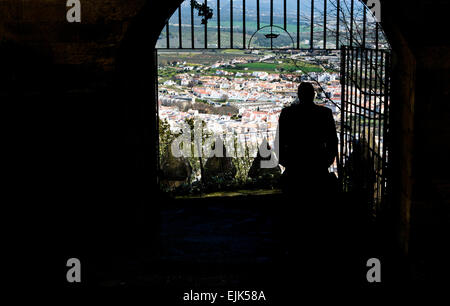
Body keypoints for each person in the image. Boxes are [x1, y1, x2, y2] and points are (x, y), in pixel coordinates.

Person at [276, 82, 338, 196]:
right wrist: (327, 161)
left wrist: (284, 161)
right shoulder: (325, 113)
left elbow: (280, 140)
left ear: (298, 95)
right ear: (313, 95)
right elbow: (333, 140)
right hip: (318, 163)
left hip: (294, 163)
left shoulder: (287, 113)